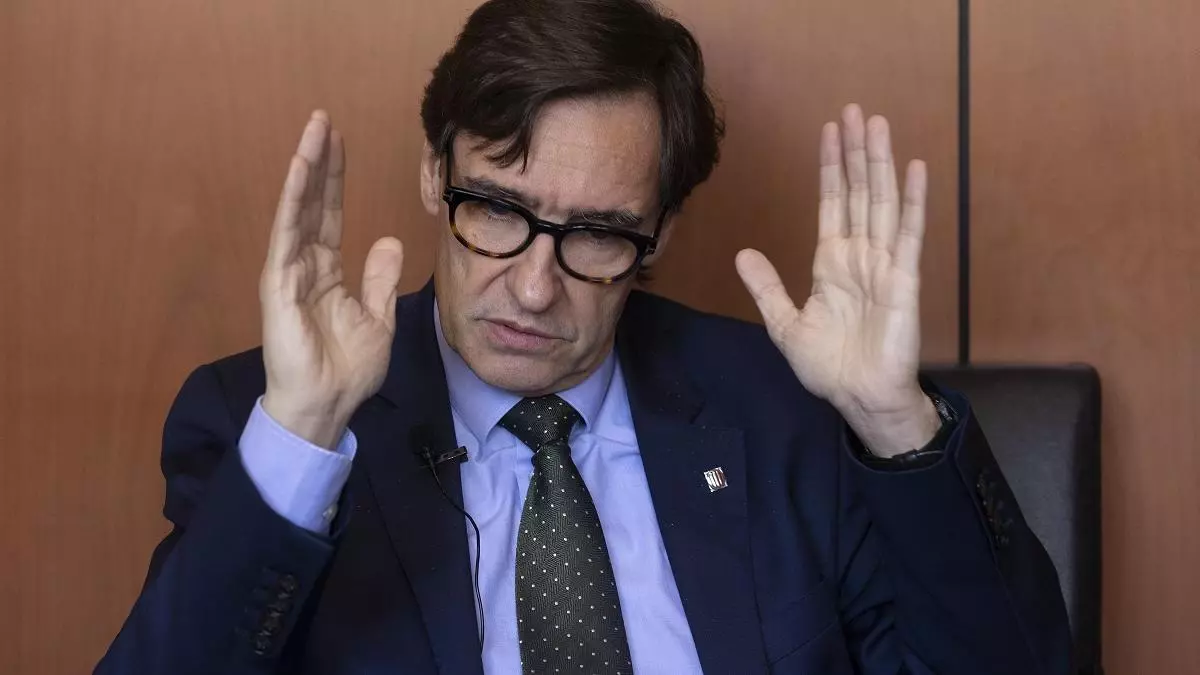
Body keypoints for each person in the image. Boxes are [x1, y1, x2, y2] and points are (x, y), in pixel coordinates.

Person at [97, 0, 1071, 673]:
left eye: (598, 234)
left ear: (661, 234)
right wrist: (302, 438)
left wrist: (893, 423)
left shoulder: (784, 411)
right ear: (436, 174)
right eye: (496, 208)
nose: (533, 287)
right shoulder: (271, 422)